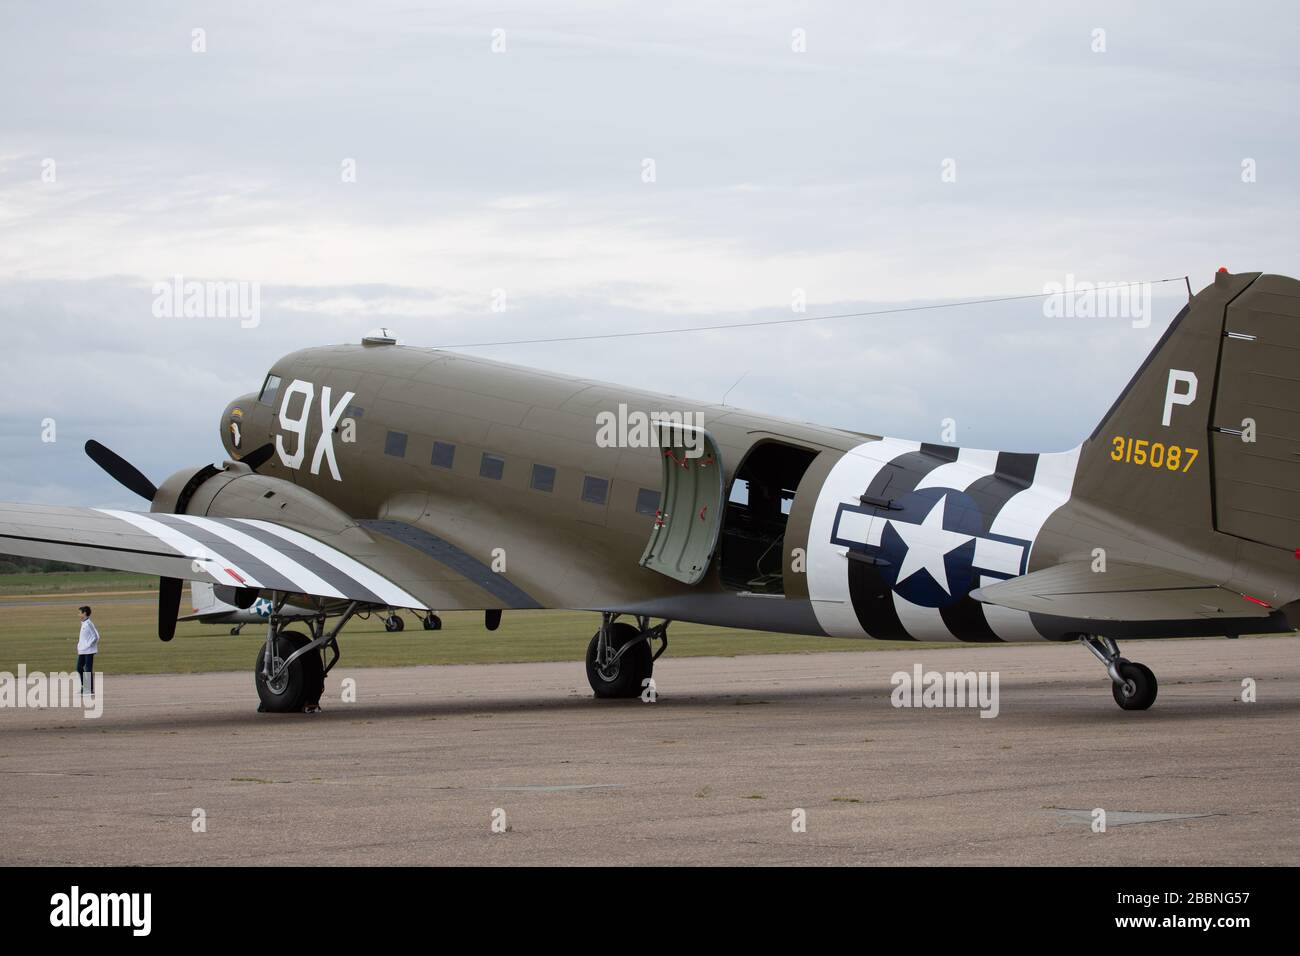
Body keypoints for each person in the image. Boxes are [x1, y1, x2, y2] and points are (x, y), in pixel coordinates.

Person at [76, 605, 100, 695]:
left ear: (84, 613)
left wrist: (89, 645)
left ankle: (89, 689)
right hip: (82, 651)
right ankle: (85, 687)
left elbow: (96, 636)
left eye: (80, 613)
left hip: (89, 651)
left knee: (88, 669)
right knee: (79, 668)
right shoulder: (84, 623)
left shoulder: (89, 623)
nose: (78, 615)